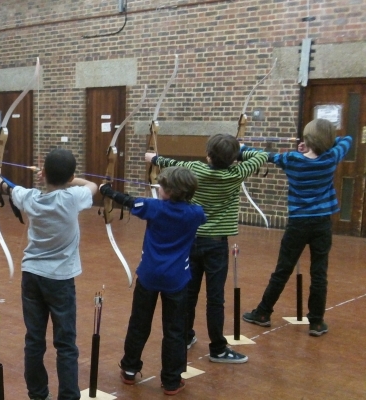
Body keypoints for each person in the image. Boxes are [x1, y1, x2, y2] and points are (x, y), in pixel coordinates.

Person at [146, 133, 268, 364]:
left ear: (208, 155)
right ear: (233, 159)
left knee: (189, 293)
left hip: (191, 240)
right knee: (215, 298)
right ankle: (218, 349)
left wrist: (154, 158)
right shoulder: (238, 172)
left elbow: (172, 164)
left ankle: (185, 336)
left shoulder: (195, 169)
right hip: (216, 244)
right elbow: (261, 155)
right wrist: (241, 150)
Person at [0, 148, 97, 400]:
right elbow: (92, 185)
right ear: (70, 177)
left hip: (32, 276)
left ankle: (38, 394)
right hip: (60, 280)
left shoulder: (31, 197)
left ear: (44, 173)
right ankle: (68, 396)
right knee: (66, 343)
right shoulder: (74, 197)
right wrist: (69, 179)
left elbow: (5, 186)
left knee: (34, 340)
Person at [101, 167, 206, 395]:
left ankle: (129, 369)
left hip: (149, 276)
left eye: (162, 186)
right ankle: (171, 380)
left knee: (139, 323)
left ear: (169, 191)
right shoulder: (196, 213)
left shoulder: (152, 207)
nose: (158, 188)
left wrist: (106, 189)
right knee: (175, 330)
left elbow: (127, 201)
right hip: (177, 279)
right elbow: (199, 211)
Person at [243, 119, 352, 336]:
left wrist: (242, 148)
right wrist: (321, 145)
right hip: (321, 223)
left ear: (308, 139)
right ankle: (317, 322)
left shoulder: (292, 159)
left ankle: (263, 313)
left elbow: (265, 155)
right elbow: (346, 139)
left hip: (298, 223)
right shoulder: (332, 156)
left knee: (283, 269)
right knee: (319, 272)